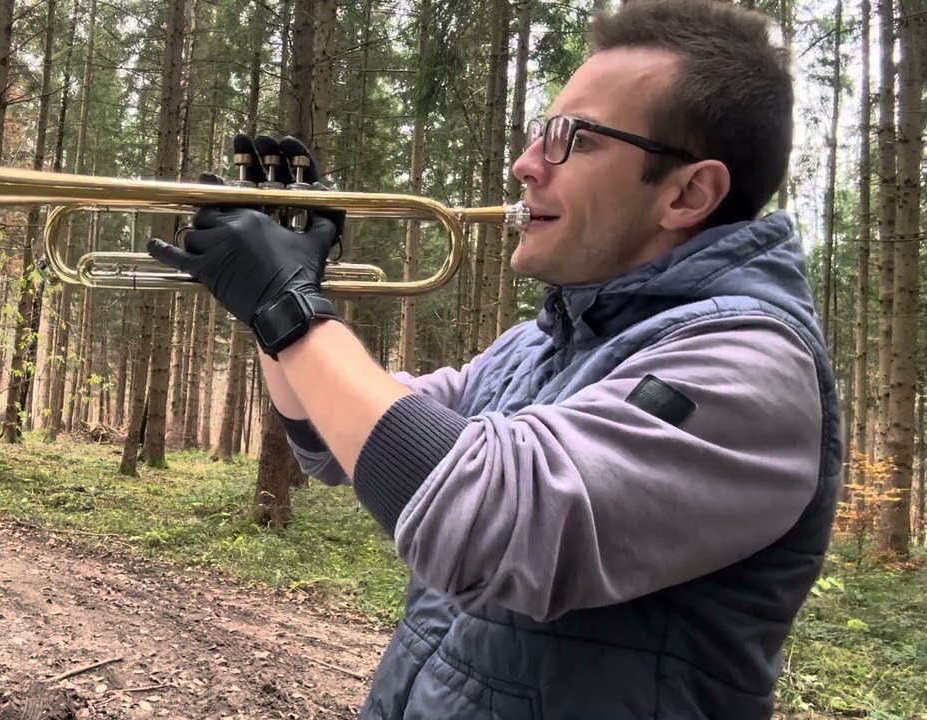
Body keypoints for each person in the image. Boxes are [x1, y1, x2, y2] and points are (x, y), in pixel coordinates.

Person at [147, 0, 842, 716]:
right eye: (541, 131)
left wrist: (290, 309)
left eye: (573, 139)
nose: (525, 163)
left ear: (688, 193)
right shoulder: (538, 345)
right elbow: (332, 445)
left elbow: (487, 523)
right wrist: (280, 307)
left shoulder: (749, 364)